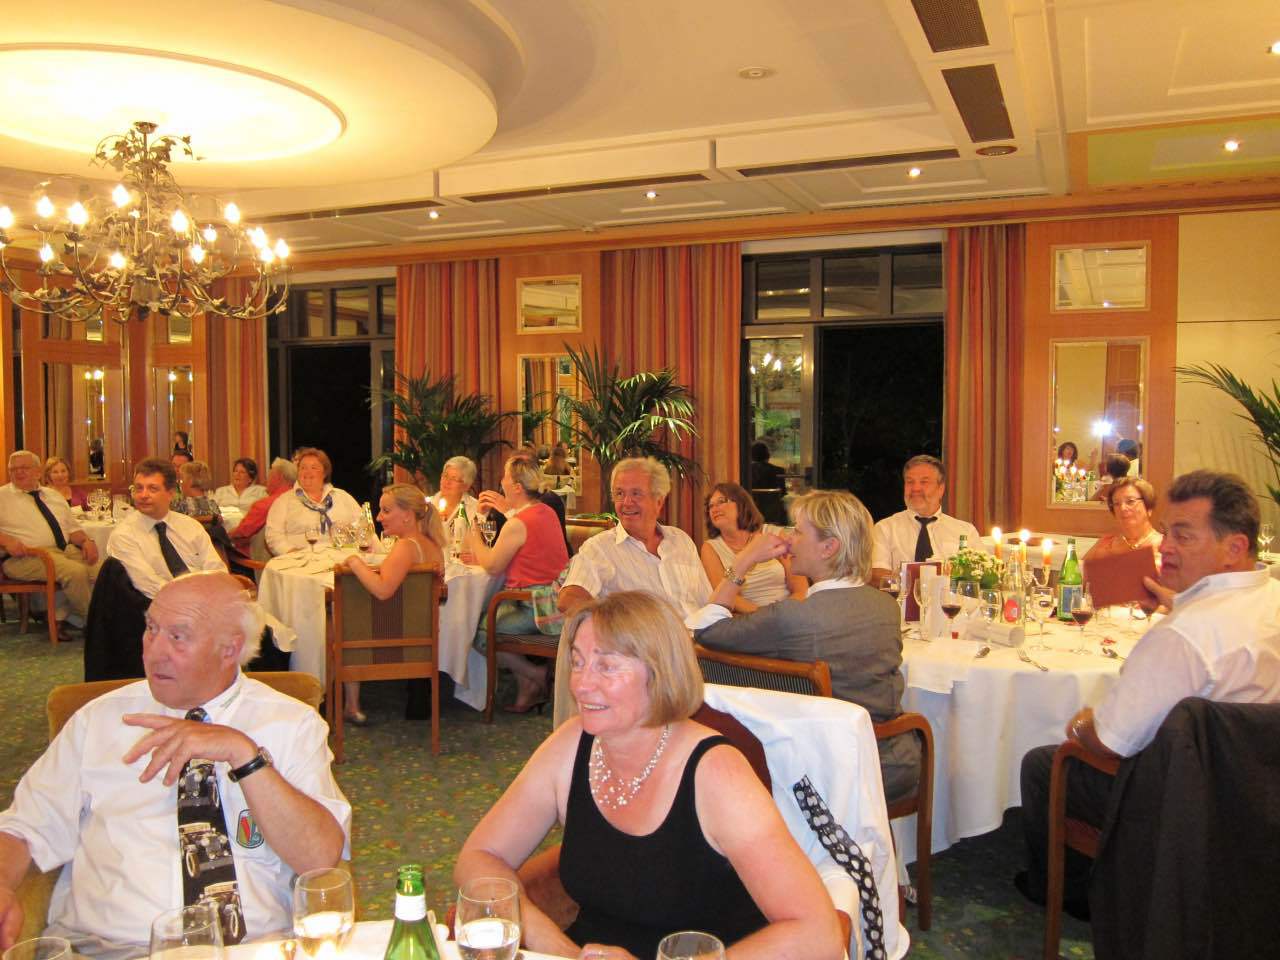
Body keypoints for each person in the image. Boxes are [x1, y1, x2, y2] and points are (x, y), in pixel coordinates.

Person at [455, 591, 844, 960]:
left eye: (606, 666)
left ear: (659, 673)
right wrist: (555, 946)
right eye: (577, 661)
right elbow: (478, 857)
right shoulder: (571, 746)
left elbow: (818, 935)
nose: (581, 684)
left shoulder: (717, 773)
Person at [0, 571, 351, 956]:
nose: (154, 651)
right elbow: (24, 826)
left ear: (229, 649)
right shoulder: (98, 721)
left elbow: (320, 858)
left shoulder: (291, 724)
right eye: (151, 629)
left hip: (250, 949)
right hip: (110, 949)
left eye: (178, 636)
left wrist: (244, 756)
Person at [1017, 470, 1280, 918]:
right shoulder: (1269, 597)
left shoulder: (1183, 636)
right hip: (1255, 788)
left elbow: (1110, 741)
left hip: (1183, 800)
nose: (1167, 547)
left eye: (1183, 535)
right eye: (1168, 532)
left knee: (1045, 762)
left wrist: (1081, 725)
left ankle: (1073, 891)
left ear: (1235, 548)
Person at [688, 489, 919, 802]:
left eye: (797, 531)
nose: (788, 539)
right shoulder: (886, 607)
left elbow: (704, 630)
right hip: (892, 762)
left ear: (828, 547)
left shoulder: (793, 618)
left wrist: (743, 562)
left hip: (820, 771)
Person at [464, 456, 570, 713]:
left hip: (534, 606)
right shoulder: (545, 511)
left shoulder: (517, 524)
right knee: (487, 618)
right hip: (555, 600)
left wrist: (475, 532)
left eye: (505, 477)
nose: (501, 482)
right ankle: (528, 687)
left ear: (517, 487)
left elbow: (491, 565)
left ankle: (535, 675)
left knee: (476, 633)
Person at [342, 483, 448, 725]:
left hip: (395, 638)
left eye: (386, 511)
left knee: (341, 614)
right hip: (423, 634)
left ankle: (349, 704)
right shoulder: (431, 544)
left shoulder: (406, 546)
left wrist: (355, 562)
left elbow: (382, 590)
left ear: (408, 515)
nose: (379, 517)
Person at [558, 457, 710, 618]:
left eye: (636, 494)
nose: (626, 502)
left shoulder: (681, 540)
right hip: (644, 635)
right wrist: (617, 624)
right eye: (619, 493)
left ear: (658, 501)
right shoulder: (599, 548)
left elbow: (707, 602)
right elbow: (568, 600)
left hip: (698, 632)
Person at [0, 450, 102, 636]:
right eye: (13, 469)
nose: (18, 472)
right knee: (76, 573)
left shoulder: (53, 496)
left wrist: (86, 540)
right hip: (25, 557)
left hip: (63, 550)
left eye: (24, 468)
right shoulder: (2, 497)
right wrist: (6, 540)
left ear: (38, 472)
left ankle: (78, 617)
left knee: (103, 570)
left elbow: (72, 529)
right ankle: (96, 625)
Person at [107, 458, 225, 599]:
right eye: (138, 488)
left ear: (171, 493)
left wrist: (215, 597)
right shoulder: (124, 535)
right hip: (158, 605)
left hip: (207, 599)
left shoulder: (190, 526)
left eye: (152, 489)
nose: (143, 495)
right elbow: (149, 585)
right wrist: (194, 601)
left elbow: (216, 568)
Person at [870, 454, 982, 584]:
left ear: (941, 489)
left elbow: (981, 574)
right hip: (900, 596)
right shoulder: (885, 528)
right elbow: (877, 574)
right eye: (910, 482)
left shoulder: (965, 531)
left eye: (924, 482)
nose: (915, 488)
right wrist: (911, 585)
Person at [700, 482, 806, 613]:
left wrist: (786, 615)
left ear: (741, 503)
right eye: (710, 506)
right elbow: (724, 597)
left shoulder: (774, 534)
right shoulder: (710, 548)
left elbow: (801, 590)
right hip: (748, 618)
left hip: (788, 612)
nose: (714, 509)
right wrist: (765, 618)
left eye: (721, 501)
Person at [264, 448, 361, 554]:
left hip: (341, 558)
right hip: (300, 560)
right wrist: (292, 553)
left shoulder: (343, 497)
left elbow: (363, 527)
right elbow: (273, 536)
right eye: (303, 468)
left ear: (325, 473)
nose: (307, 472)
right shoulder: (284, 501)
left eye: (313, 468)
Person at [1083, 477, 1162, 575]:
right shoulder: (1104, 545)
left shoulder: (1164, 547)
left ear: (1148, 507)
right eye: (1116, 504)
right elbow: (1077, 578)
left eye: (1130, 501)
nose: (1122, 508)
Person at [228, 458, 296, 554]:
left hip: (255, 558)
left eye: (269, 475)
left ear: (278, 477)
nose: (266, 480)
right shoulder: (300, 500)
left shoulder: (264, 505)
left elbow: (242, 532)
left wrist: (227, 535)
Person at [435, 455, 480, 542]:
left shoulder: (475, 508)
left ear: (466, 486)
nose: (447, 482)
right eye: (445, 476)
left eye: (454, 479)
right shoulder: (428, 504)